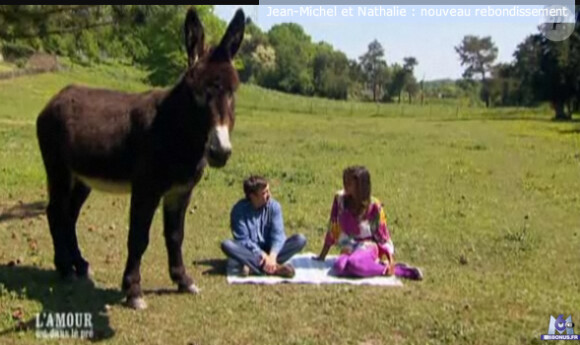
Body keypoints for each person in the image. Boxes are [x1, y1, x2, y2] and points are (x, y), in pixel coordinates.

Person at [314, 166, 423, 280]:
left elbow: (382, 237)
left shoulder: (374, 206)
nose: (345, 185)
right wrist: (322, 256)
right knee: (339, 267)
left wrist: (389, 258)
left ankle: (400, 270)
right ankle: (370, 268)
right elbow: (333, 227)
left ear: (360, 186)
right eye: (344, 180)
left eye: (349, 182)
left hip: (368, 246)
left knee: (355, 265)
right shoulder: (339, 200)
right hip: (348, 246)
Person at [221, 175, 307, 277]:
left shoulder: (274, 207)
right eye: (264, 193)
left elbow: (278, 235)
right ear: (253, 196)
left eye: (268, 191)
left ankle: (254, 267)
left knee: (300, 240)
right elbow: (243, 239)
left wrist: (272, 256)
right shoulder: (239, 210)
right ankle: (273, 269)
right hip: (251, 252)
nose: (269, 195)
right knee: (227, 245)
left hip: (273, 251)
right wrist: (262, 254)